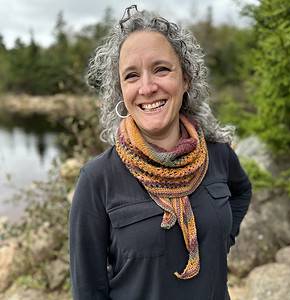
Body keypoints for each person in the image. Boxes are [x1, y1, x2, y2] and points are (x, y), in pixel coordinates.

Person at [69, 5, 252, 300]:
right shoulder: (97, 179)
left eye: (161, 69)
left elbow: (242, 191)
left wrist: (221, 239)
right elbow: (88, 290)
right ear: (121, 92)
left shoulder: (217, 154)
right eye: (131, 76)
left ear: (186, 80)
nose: (147, 87)